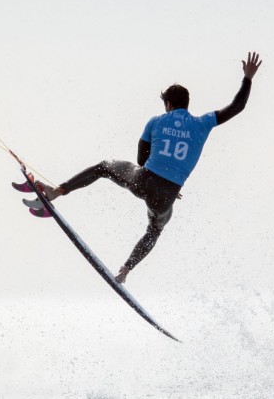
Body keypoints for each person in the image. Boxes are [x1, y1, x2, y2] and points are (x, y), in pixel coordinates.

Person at [38, 52, 262, 283]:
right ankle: (125, 271)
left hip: (143, 180)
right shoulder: (202, 123)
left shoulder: (156, 121)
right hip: (168, 195)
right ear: (186, 104)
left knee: (104, 167)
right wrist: (248, 78)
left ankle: (58, 191)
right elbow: (237, 106)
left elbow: (141, 159)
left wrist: (156, 173)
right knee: (154, 230)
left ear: (168, 104)